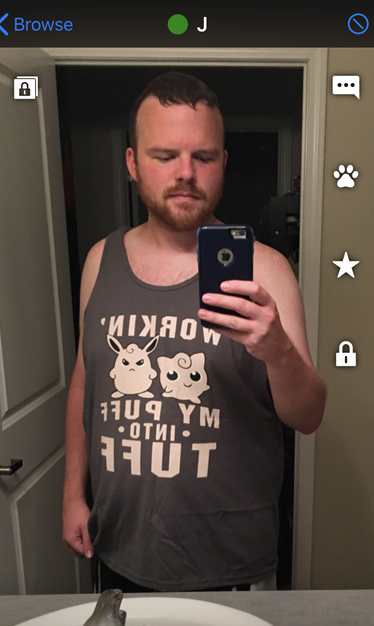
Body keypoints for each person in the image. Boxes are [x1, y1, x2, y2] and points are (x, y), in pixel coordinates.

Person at [62, 71, 326, 592]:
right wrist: (73, 494)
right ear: (132, 163)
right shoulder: (99, 260)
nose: (186, 173)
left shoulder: (266, 268)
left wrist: (277, 350)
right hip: (121, 548)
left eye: (203, 157)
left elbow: (310, 415)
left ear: (222, 163)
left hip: (232, 564)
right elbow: (84, 384)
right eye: (165, 156)